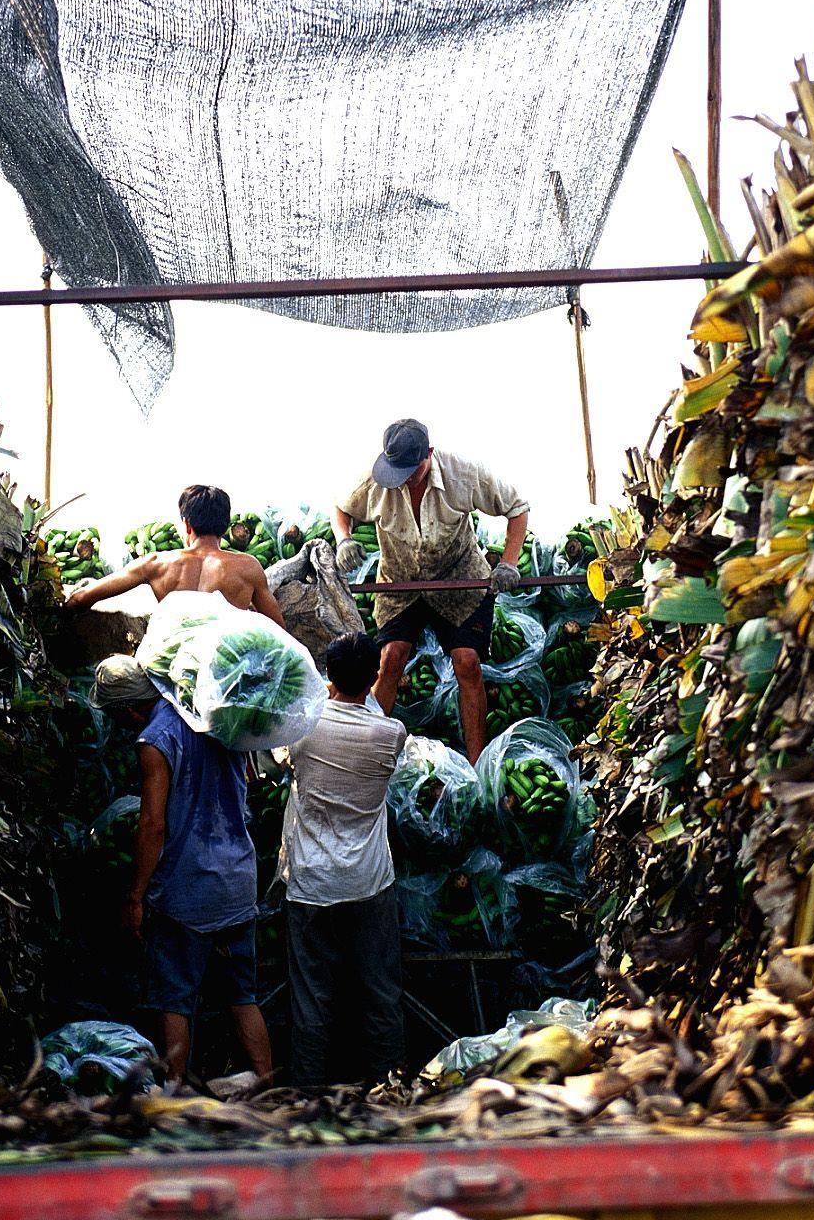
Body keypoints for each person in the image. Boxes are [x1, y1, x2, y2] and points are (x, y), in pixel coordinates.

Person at [93, 655, 273, 1087]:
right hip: (237, 877)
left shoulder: (156, 739)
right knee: (241, 995)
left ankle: (173, 1091)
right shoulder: (213, 715)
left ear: (129, 710)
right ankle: (269, 1082)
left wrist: (135, 896)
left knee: (175, 998)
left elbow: (153, 823)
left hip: (188, 887)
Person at [332, 420, 529, 764]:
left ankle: (475, 761)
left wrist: (509, 563)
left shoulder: (463, 474)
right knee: (390, 657)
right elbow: (342, 509)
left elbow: (517, 507)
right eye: (399, 471)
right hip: (401, 583)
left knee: (467, 662)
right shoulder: (375, 482)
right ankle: (367, 752)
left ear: (430, 454)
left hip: (458, 581)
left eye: (414, 469)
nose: (407, 478)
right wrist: (344, 540)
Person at [279, 633, 407, 1090]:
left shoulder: (303, 727)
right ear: (374, 676)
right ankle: (388, 1087)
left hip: (311, 882)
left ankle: (309, 1093)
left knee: (312, 999)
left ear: (327, 674)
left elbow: (279, 758)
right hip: (369, 881)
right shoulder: (389, 734)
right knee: (380, 994)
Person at [65, 484, 286, 626]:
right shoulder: (247, 567)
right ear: (225, 526)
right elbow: (279, 629)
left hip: (173, 666)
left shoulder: (156, 564)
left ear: (187, 525)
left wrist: (62, 613)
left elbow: (82, 598)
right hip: (226, 668)